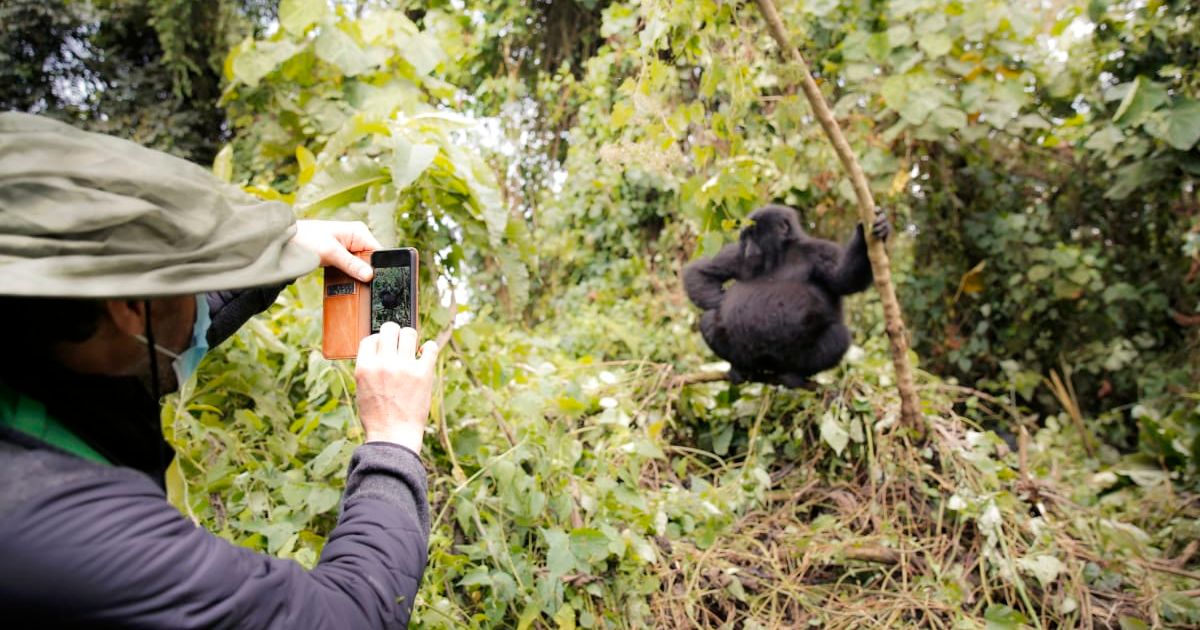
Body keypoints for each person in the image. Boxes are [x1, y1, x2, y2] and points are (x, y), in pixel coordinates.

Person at [0, 112, 439, 628]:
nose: (202, 300)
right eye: (197, 276)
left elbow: (160, 331)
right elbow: (347, 617)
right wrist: (393, 441)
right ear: (126, 308)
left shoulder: (36, 355)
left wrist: (274, 256)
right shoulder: (74, 532)